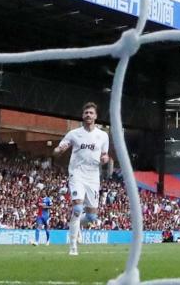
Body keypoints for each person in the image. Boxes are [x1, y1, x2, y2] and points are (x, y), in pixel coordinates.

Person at [53, 102, 110, 257]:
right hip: (77, 173)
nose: (88, 115)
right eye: (86, 113)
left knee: (92, 217)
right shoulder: (74, 134)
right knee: (77, 208)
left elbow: (105, 154)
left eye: (91, 113)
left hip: (93, 176)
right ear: (82, 116)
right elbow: (57, 150)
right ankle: (73, 248)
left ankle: (76, 226)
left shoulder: (103, 135)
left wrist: (105, 158)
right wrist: (58, 150)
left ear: (96, 116)